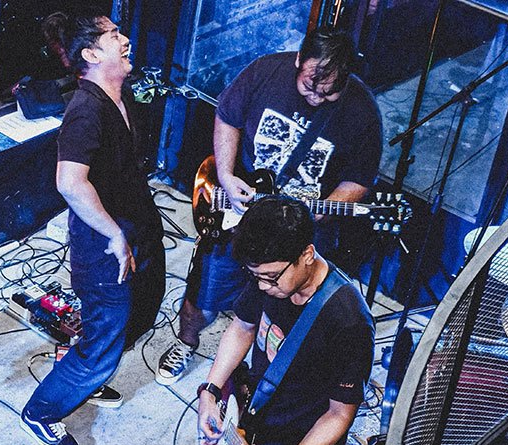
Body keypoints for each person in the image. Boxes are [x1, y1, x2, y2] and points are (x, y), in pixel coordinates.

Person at [156, 27, 382, 386]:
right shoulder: (266, 72)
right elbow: (227, 117)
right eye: (309, 86)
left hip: (298, 235)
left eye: (329, 92)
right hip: (238, 216)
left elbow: (359, 179)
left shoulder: (362, 112)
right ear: (299, 60)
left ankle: (271, 373)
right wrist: (226, 175)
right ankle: (186, 342)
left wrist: (325, 208)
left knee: (286, 312)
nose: (317, 98)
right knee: (204, 292)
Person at [19, 9, 165, 445]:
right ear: (91, 54)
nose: (125, 40)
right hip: (105, 245)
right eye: (114, 35)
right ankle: (41, 411)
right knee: (105, 339)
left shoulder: (119, 96)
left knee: (143, 308)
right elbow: (69, 182)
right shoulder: (86, 111)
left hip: (137, 229)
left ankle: (86, 374)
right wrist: (114, 235)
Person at [197, 195, 374, 445]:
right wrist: (210, 390)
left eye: (272, 277)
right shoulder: (269, 277)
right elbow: (243, 327)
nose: (263, 286)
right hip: (253, 415)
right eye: (256, 276)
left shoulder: (348, 320)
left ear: (307, 254)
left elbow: (339, 415)